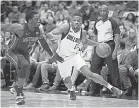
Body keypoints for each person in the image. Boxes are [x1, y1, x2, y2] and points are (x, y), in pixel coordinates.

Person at [46, 11, 123, 100]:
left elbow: (86, 41)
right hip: (62, 58)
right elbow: (51, 33)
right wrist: (52, 36)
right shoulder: (66, 27)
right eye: (74, 20)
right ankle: (71, 90)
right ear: (71, 21)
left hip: (75, 55)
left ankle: (112, 88)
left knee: (90, 74)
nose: (76, 22)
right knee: (67, 81)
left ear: (81, 22)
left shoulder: (83, 32)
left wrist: (97, 44)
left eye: (78, 20)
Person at [1, 10, 62, 105]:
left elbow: (44, 45)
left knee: (25, 68)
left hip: (25, 53)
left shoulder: (38, 31)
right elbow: (3, 27)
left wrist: (53, 55)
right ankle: (19, 94)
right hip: (12, 52)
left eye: (39, 18)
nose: (39, 20)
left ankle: (16, 87)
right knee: (24, 65)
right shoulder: (19, 28)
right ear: (29, 21)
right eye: (36, 19)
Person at [90, 5, 121, 96]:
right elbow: (95, 37)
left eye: (104, 11)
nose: (103, 12)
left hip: (109, 45)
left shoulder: (112, 22)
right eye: (101, 11)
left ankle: (117, 91)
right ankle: (94, 90)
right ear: (100, 12)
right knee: (94, 68)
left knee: (113, 69)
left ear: (108, 12)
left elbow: (117, 37)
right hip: (99, 45)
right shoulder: (97, 22)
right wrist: (93, 50)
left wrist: (115, 50)